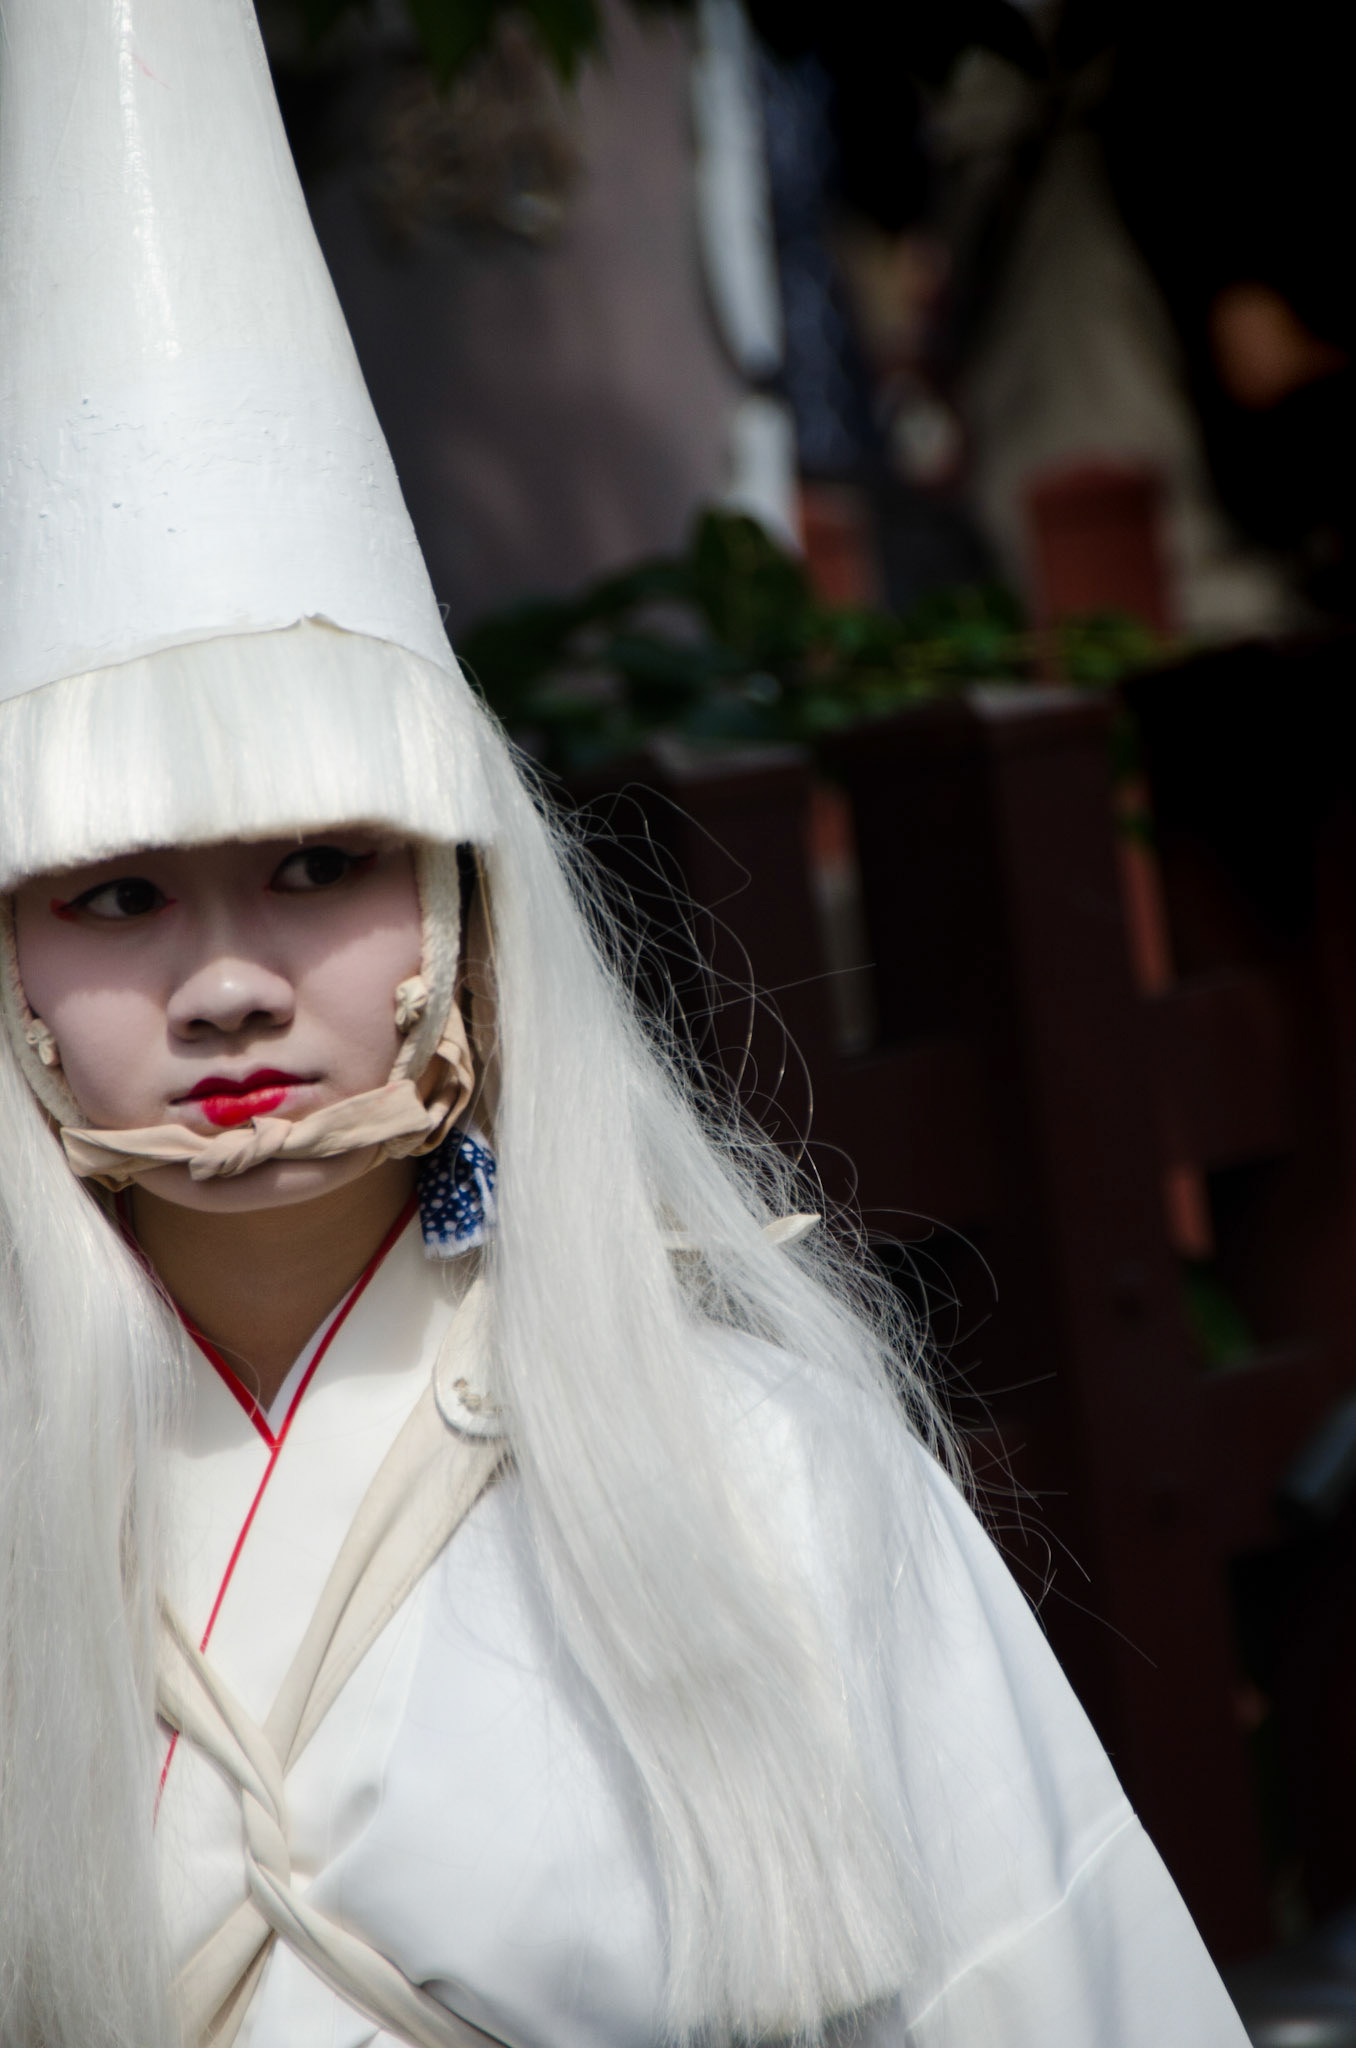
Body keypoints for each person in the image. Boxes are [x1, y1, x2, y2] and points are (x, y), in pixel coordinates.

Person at [0, 5, 1250, 2046]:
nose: (227, 979)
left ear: (473, 904)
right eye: (117, 895)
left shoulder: (765, 1474)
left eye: (322, 863)